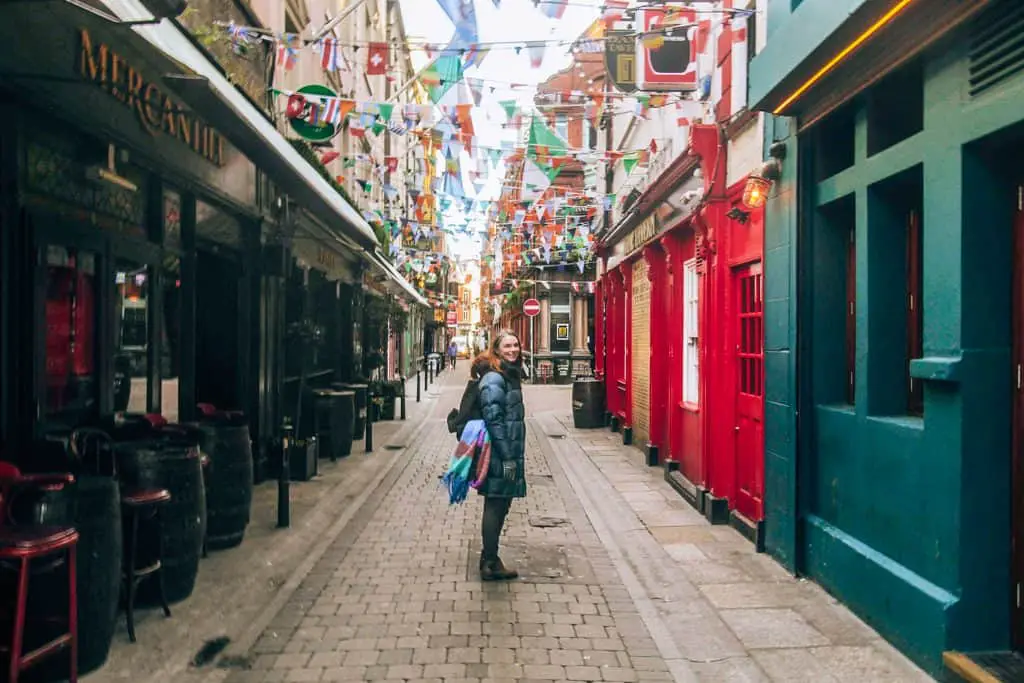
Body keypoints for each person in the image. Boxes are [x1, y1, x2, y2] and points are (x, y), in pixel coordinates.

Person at [475, 330, 527, 581]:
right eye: (507, 345)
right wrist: (507, 456)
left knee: (501, 501)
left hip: (507, 451)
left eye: (515, 345)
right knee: (496, 502)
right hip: (499, 453)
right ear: (496, 349)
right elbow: (493, 419)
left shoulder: (507, 374)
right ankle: (490, 562)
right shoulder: (494, 378)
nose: (513, 349)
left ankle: (489, 558)